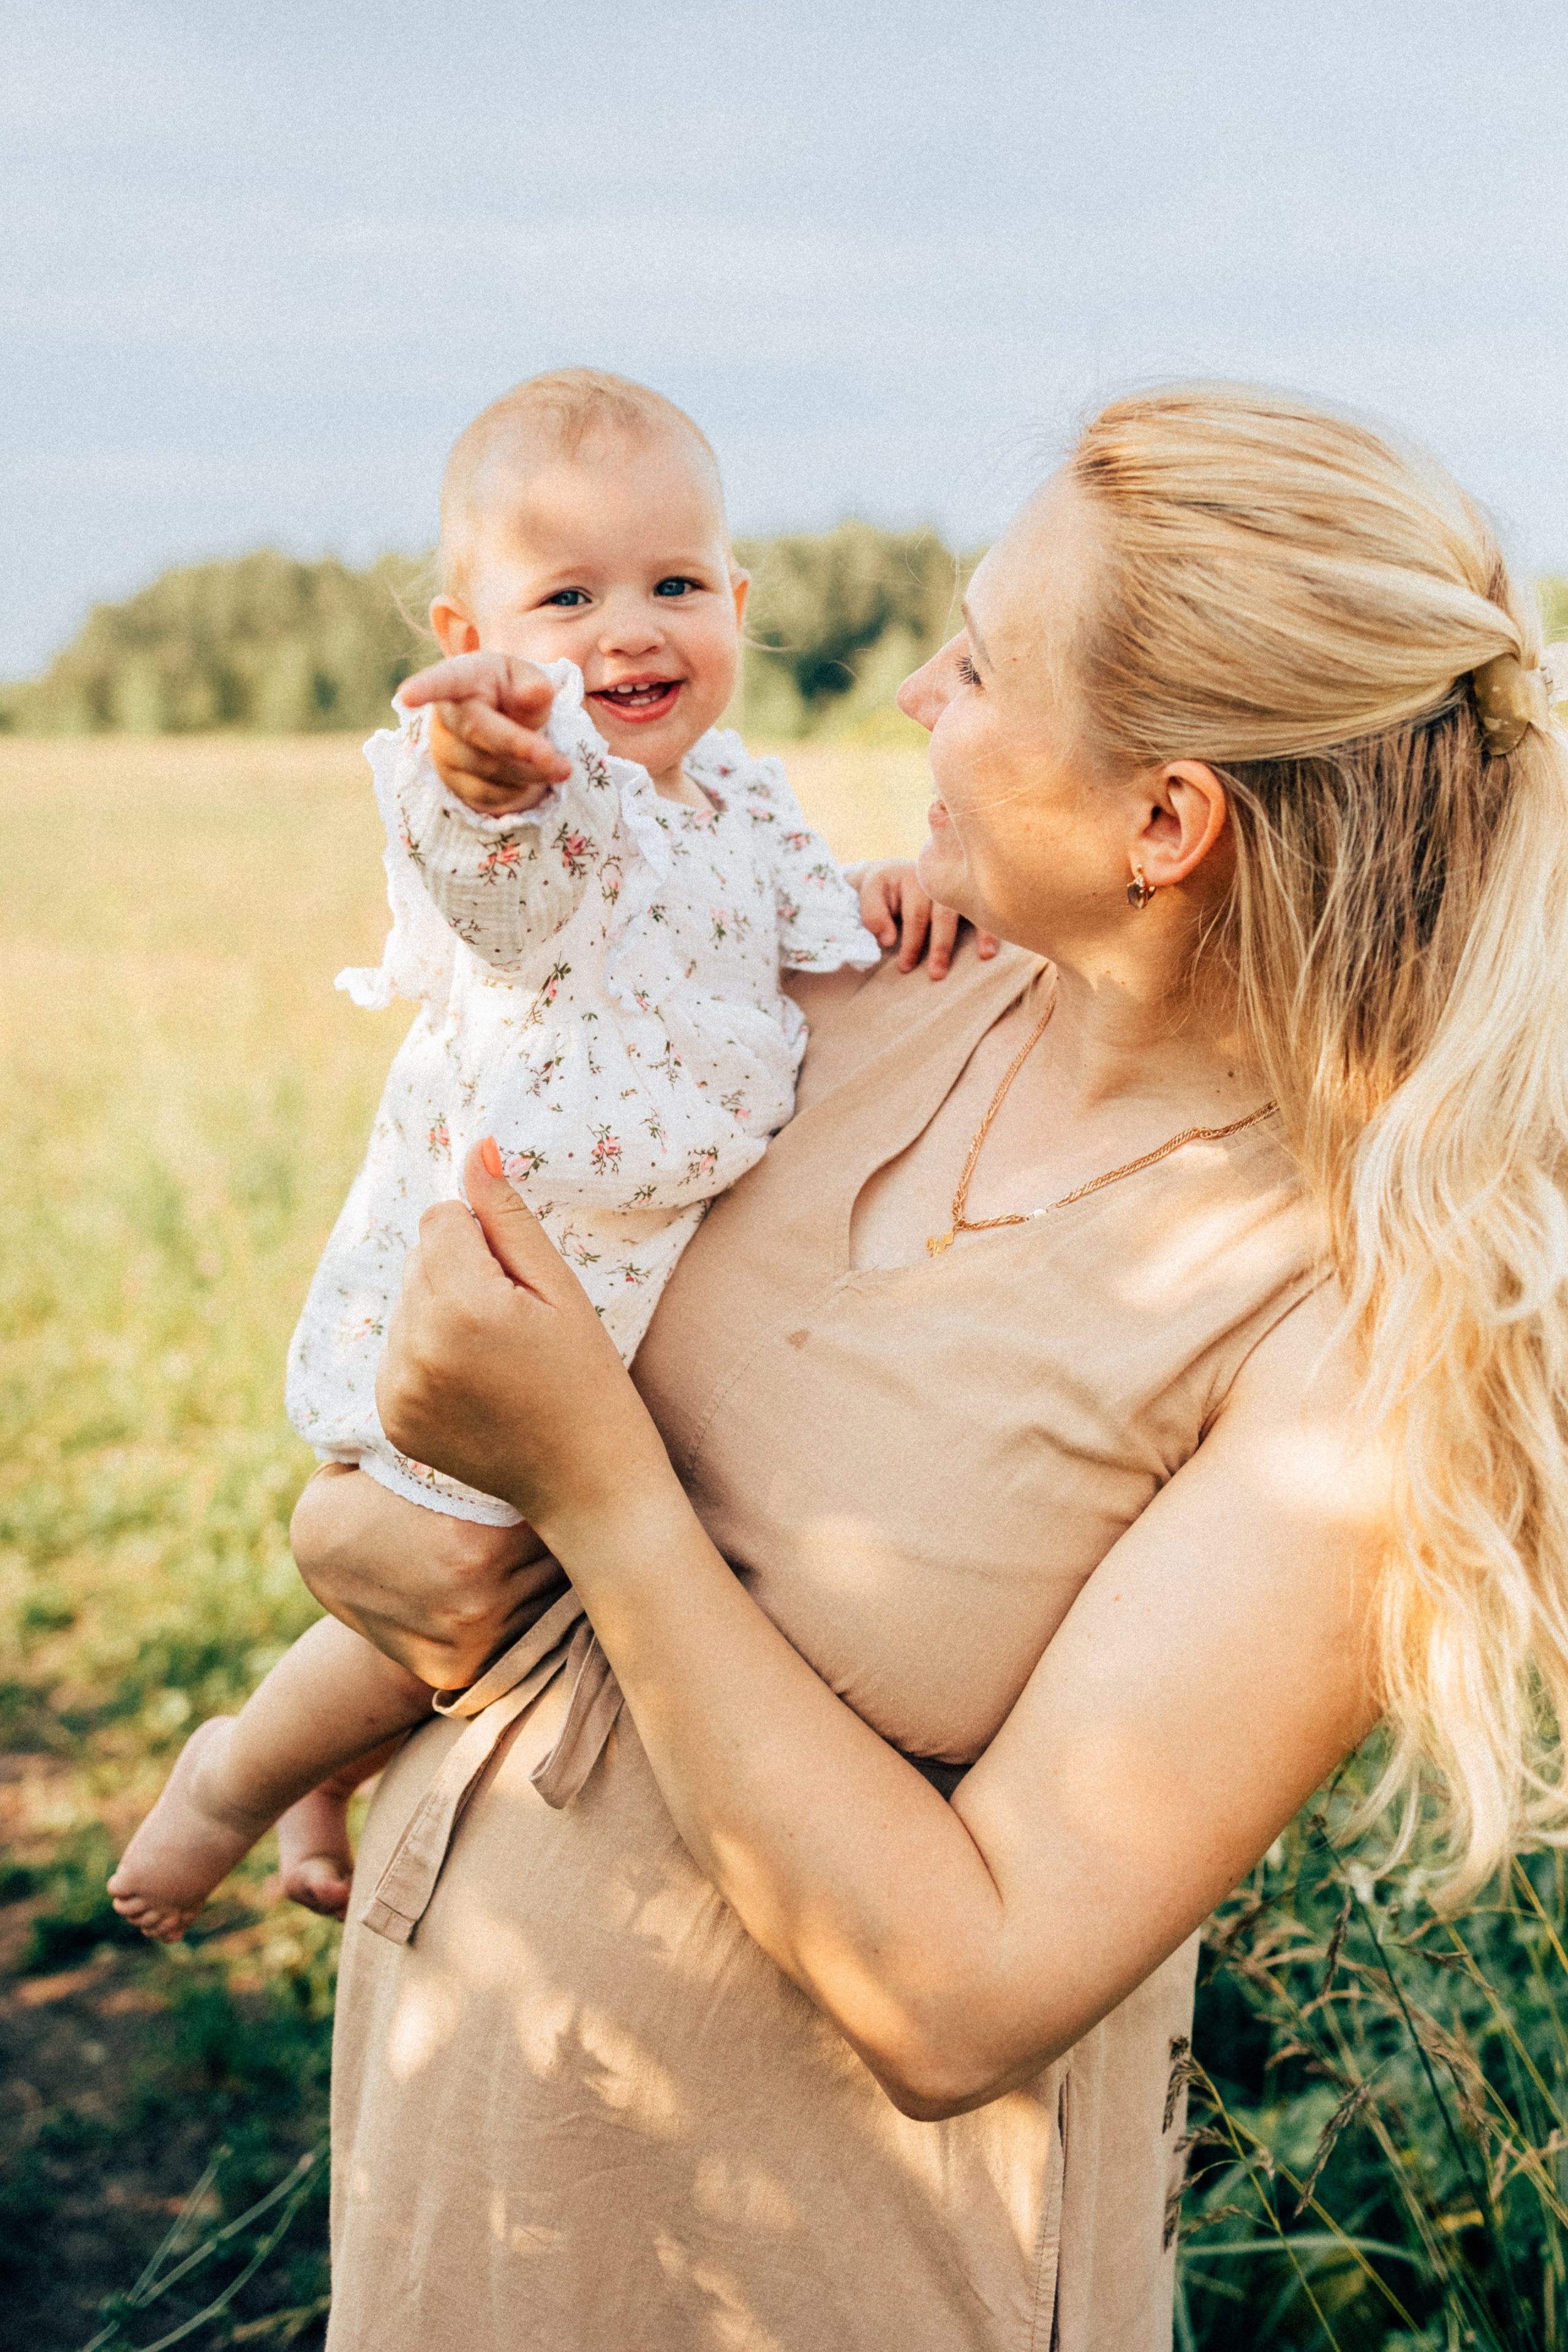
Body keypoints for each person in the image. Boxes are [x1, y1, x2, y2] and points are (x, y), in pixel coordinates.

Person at [305, 385, 1568, 2350]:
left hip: (824, 2281)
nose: (911, 694)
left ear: (1169, 820)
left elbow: (963, 1990)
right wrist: (366, 1587)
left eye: (979, 662)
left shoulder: (1355, 1335)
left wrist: (595, 1501)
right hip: (471, 2185)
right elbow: (475, 1328)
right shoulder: (858, 999)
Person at [107, 369, 974, 1942]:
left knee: (504, 1594)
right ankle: (234, 1774)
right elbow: (494, 886)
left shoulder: (739, 804)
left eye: (673, 584)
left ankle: (327, 1773)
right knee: (453, 1556)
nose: (630, 629)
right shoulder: (526, 802)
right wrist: (488, 778)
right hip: (518, 1271)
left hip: (640, 1285)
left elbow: (793, 930)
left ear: (738, 598)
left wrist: (895, 890)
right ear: (468, 644)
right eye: (565, 595)